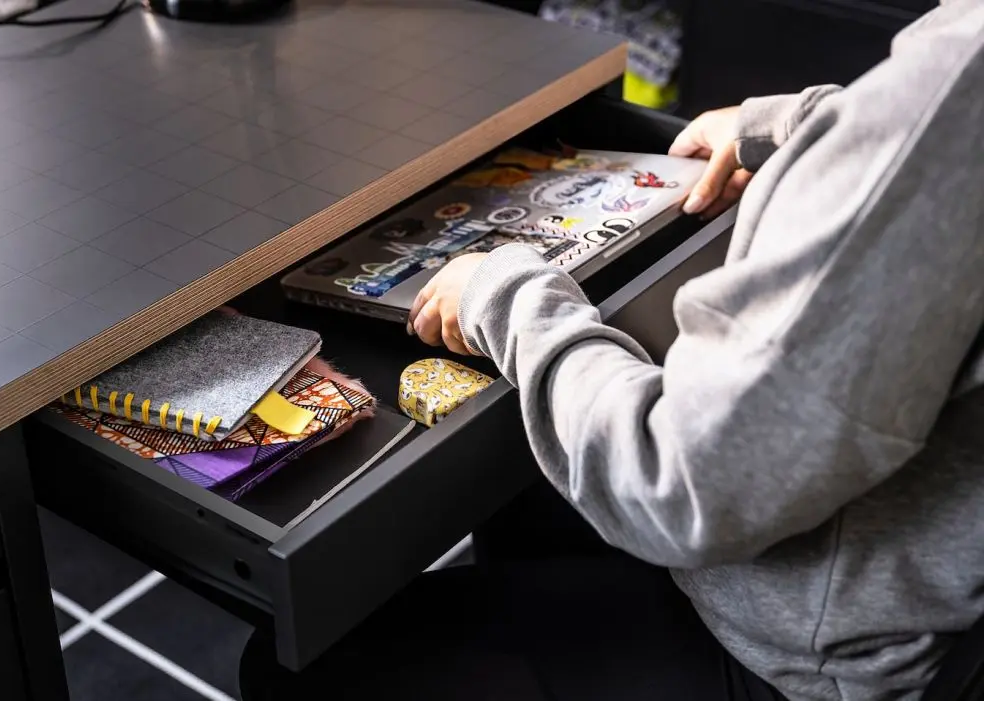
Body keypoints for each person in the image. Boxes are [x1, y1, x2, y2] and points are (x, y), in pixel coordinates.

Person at [240, 1, 984, 699]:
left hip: (806, 662)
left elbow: (680, 484)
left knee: (284, 671)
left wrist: (505, 293)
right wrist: (813, 125)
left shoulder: (948, 97)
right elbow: (923, 138)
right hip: (879, 585)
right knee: (525, 497)